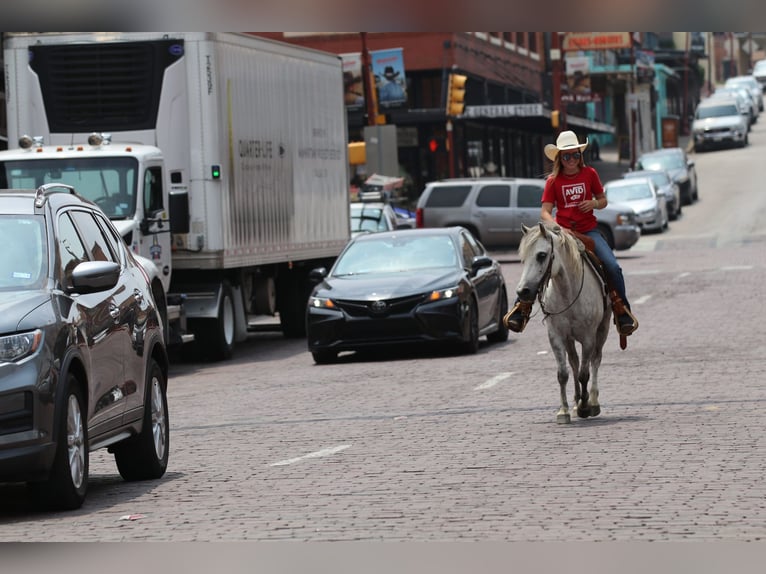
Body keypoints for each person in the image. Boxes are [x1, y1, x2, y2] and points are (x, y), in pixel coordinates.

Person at [504, 130, 639, 336]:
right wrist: (558, 228)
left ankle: (622, 311)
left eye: (575, 155)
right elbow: (545, 212)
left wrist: (593, 202)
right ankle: (521, 308)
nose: (571, 160)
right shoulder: (553, 181)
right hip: (562, 233)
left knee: (612, 266)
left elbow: (603, 200)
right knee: (539, 261)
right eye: (566, 156)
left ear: (580, 155)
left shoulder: (590, 174)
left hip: (588, 231)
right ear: (559, 158)